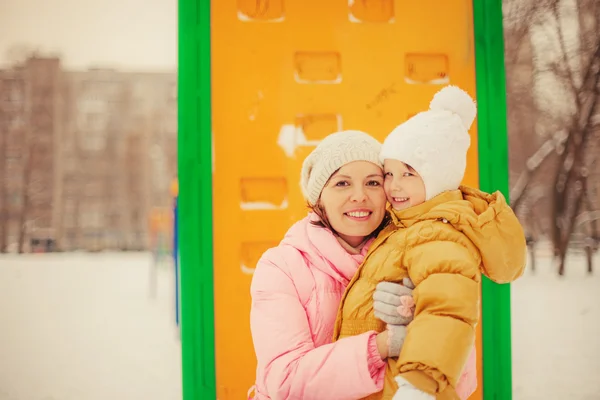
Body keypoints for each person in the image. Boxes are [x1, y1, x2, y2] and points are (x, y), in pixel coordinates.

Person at [249, 129, 476, 400]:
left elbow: (461, 382)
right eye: (342, 184)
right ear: (318, 198)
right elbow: (285, 381)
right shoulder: (281, 267)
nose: (360, 196)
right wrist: (382, 347)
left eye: (373, 182)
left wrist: (423, 324)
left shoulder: (418, 256)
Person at [332, 86, 527, 400]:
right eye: (389, 173)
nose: (394, 186)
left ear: (437, 176)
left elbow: (446, 310)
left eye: (409, 173)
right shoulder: (408, 225)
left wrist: (418, 385)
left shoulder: (438, 233)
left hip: (404, 389)